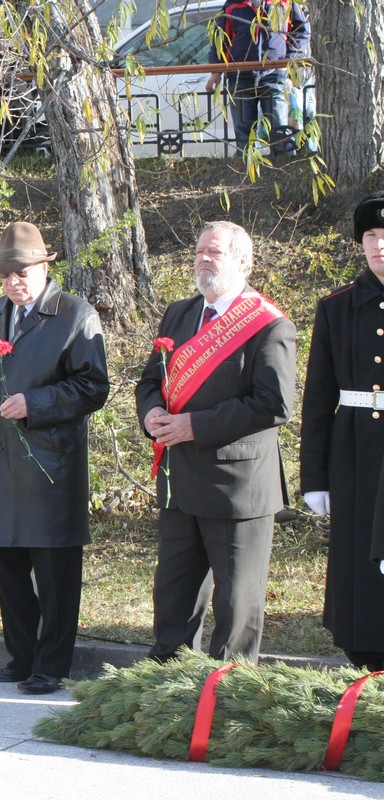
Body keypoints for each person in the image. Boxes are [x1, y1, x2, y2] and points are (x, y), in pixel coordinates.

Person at [135, 221, 296, 663]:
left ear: (244, 262)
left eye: (216, 252)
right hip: (180, 479)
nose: (204, 258)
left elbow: (274, 404)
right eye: (200, 250)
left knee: (235, 606)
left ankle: (226, 701)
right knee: (173, 597)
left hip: (237, 486)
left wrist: (195, 426)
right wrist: (150, 412)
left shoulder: (269, 325)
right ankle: (166, 689)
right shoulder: (180, 314)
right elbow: (151, 381)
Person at [0, 222, 110, 696]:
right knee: (6, 569)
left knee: (55, 577)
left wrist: (37, 403)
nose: (13, 281)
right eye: (5, 273)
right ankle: (20, 657)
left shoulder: (74, 315)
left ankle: (51, 665)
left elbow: (93, 386)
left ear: (44, 268)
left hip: (51, 465)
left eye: (21, 271)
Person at [300, 192, 384, 672]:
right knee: (356, 555)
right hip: (354, 446)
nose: (379, 246)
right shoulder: (338, 308)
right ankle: (363, 655)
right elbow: (317, 400)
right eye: (371, 236)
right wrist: (315, 477)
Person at [204, 0, 310, 156]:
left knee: (279, 132)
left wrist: (289, 60)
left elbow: (301, 32)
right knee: (244, 135)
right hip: (240, 75)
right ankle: (245, 175)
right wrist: (216, 71)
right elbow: (218, 40)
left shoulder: (284, 2)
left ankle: (282, 174)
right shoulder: (232, 4)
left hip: (275, 74)